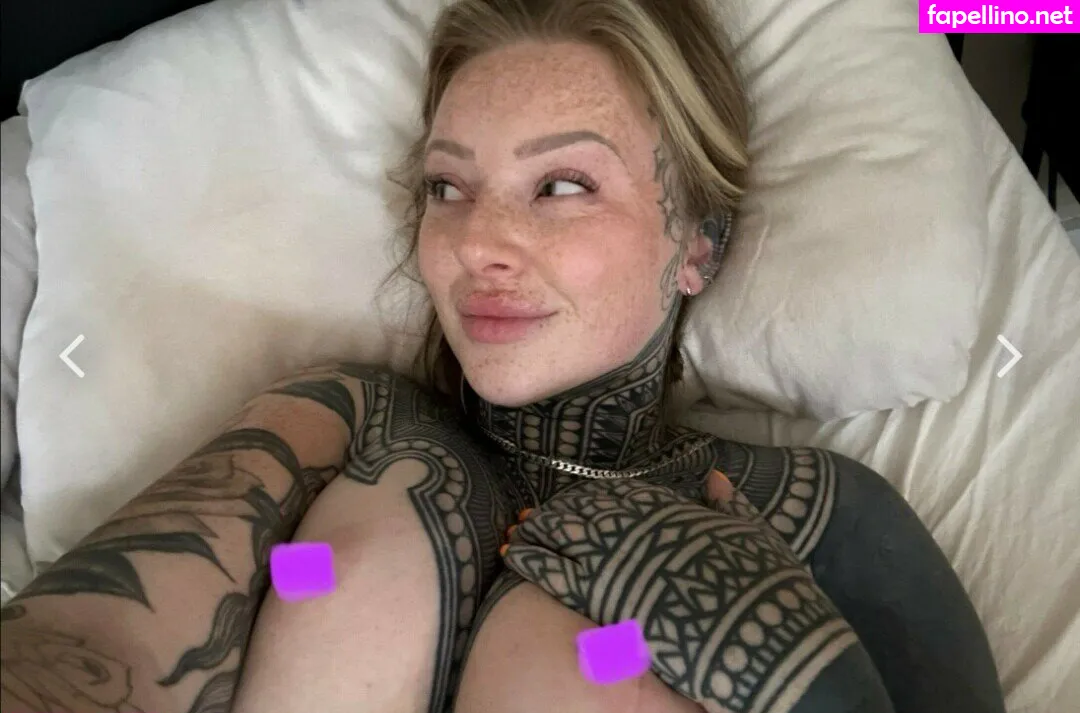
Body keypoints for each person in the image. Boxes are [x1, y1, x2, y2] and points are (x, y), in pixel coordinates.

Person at [0, 1, 1007, 712]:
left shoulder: (821, 515)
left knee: (585, 653)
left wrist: (802, 668)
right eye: (448, 188)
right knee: (377, 550)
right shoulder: (345, 425)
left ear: (698, 245)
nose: (477, 241)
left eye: (563, 186)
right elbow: (98, 643)